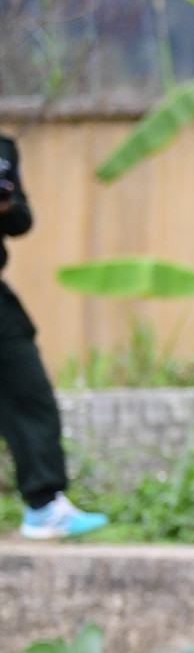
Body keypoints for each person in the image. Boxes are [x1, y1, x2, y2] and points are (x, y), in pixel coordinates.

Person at [0, 134, 105, 540]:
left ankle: (43, 507)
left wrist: (7, 205)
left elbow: (22, 220)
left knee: (30, 391)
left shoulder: (5, 148)